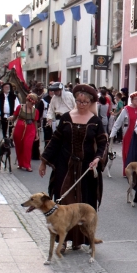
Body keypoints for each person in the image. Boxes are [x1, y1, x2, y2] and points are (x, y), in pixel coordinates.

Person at [39, 84, 108, 251]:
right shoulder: (66, 118)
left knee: (83, 204)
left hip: (86, 168)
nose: (81, 104)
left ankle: (78, 239)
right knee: (63, 202)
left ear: (91, 102)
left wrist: (98, 158)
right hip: (65, 166)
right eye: (79, 101)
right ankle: (62, 242)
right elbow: (55, 141)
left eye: (85, 102)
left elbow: (102, 143)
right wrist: (43, 161)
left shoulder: (95, 122)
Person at [110, 91, 137, 177]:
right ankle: (128, 171)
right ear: (131, 100)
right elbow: (118, 122)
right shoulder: (126, 109)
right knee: (128, 152)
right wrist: (112, 134)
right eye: (136, 99)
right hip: (128, 133)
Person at [9, 93, 39, 172]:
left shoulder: (35, 111)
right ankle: (20, 163)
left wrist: (36, 133)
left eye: (33, 103)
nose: (32, 105)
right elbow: (14, 117)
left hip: (30, 128)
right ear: (27, 101)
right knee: (19, 146)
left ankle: (27, 165)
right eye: (31, 103)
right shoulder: (20, 107)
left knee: (27, 146)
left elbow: (35, 122)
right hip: (19, 127)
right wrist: (10, 119)